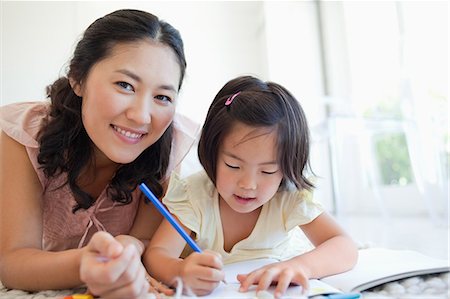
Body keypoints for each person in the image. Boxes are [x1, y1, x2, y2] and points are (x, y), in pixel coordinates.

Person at [0, 9, 199, 298]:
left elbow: (143, 240)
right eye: (125, 85)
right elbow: (13, 260)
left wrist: (133, 246)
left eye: (162, 97)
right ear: (78, 78)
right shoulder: (23, 136)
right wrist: (85, 263)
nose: (142, 116)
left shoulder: (174, 147)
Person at [143, 75, 358, 298]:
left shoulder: (288, 198)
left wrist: (301, 266)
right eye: (233, 165)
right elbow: (156, 254)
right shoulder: (195, 195)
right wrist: (180, 271)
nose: (248, 184)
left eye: (267, 171)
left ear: (287, 168)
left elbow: (344, 246)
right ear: (212, 154)